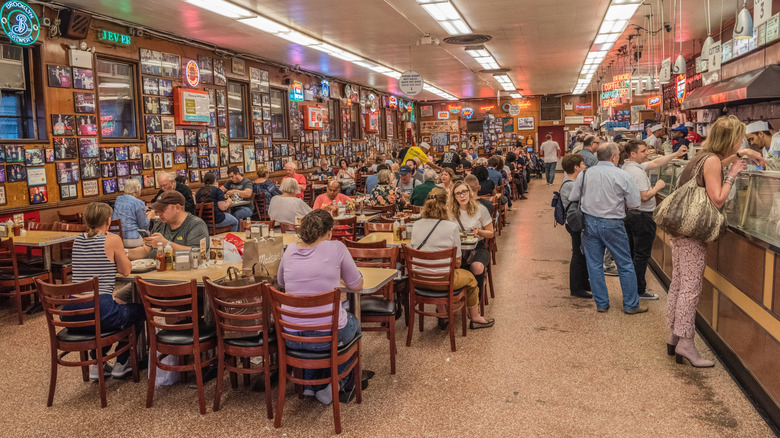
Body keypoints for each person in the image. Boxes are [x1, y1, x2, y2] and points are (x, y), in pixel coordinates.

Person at [666, 116, 750, 368]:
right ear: (731, 139)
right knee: (691, 290)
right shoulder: (713, 161)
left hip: (680, 231)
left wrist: (739, 156)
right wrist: (733, 175)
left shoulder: (701, 156)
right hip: (694, 234)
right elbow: (718, 199)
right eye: (739, 138)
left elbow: (711, 169)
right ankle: (686, 343)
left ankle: (673, 335)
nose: (740, 141)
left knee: (679, 284)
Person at [277, 209, 363, 404]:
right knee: (353, 324)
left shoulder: (289, 250)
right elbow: (356, 285)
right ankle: (335, 383)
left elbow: (281, 282)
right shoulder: (337, 248)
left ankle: (309, 384)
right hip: (326, 338)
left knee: (311, 326)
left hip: (290, 337)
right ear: (328, 232)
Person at [63, 202, 145, 380]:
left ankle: (97, 364)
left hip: (70, 312)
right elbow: (126, 271)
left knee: (119, 305)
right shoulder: (112, 239)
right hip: (99, 311)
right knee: (139, 311)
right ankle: (122, 362)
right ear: (108, 221)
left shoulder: (77, 239)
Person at [568, 142, 647, 315]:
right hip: (613, 224)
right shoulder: (622, 175)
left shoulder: (585, 173)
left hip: (589, 223)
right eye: (618, 154)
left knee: (594, 264)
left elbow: (574, 196)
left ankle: (602, 303)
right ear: (613, 157)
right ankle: (631, 304)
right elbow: (634, 203)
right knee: (624, 264)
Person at [411, 188, 494, 329]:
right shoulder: (451, 227)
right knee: (471, 279)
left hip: (419, 280)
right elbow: (457, 262)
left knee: (436, 271)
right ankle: (475, 317)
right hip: (443, 281)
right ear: (446, 205)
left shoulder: (415, 225)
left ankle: (443, 314)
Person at [621, 140, 689, 301]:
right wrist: (658, 186)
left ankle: (631, 289)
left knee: (633, 253)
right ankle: (639, 290)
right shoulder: (637, 173)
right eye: (644, 151)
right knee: (641, 255)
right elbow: (644, 197)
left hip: (630, 215)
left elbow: (656, 162)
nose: (647, 154)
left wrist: (675, 154)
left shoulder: (629, 167)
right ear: (633, 154)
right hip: (641, 216)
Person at [128, 191, 210, 261]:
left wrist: (165, 244)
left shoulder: (196, 225)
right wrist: (126, 253)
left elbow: (197, 255)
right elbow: (146, 251)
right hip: (156, 274)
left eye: (162, 209)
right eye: (157, 210)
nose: (158, 214)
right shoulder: (160, 224)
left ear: (177, 208)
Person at [450, 180, 494, 299]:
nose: (462, 195)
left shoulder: (480, 209)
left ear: (469, 192)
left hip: (477, 247)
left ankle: (475, 301)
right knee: (444, 266)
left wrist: (479, 232)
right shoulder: (450, 212)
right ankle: (450, 301)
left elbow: (491, 233)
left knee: (477, 267)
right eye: (458, 193)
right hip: (457, 249)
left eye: (464, 192)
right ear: (454, 197)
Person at [559, 154, 591, 299]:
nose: (585, 166)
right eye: (583, 164)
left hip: (575, 221)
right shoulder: (570, 184)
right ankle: (576, 287)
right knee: (578, 254)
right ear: (576, 167)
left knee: (582, 253)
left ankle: (584, 281)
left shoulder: (573, 181)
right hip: (574, 223)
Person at [111, 179, 149, 248]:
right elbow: (144, 227)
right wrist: (150, 216)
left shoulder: (118, 199)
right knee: (152, 239)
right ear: (137, 189)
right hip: (133, 239)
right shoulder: (139, 203)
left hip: (117, 238)